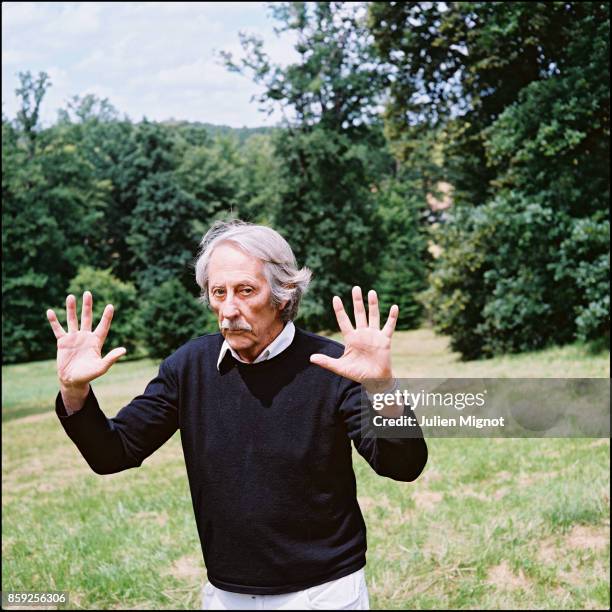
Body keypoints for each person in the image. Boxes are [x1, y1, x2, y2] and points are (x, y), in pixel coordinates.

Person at [47, 220, 428, 610]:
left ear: (283, 294)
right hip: (227, 595)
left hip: (324, 591)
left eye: (246, 291)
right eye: (219, 292)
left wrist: (382, 389)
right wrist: (75, 392)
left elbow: (403, 465)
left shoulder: (334, 367)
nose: (229, 309)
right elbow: (113, 453)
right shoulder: (188, 367)